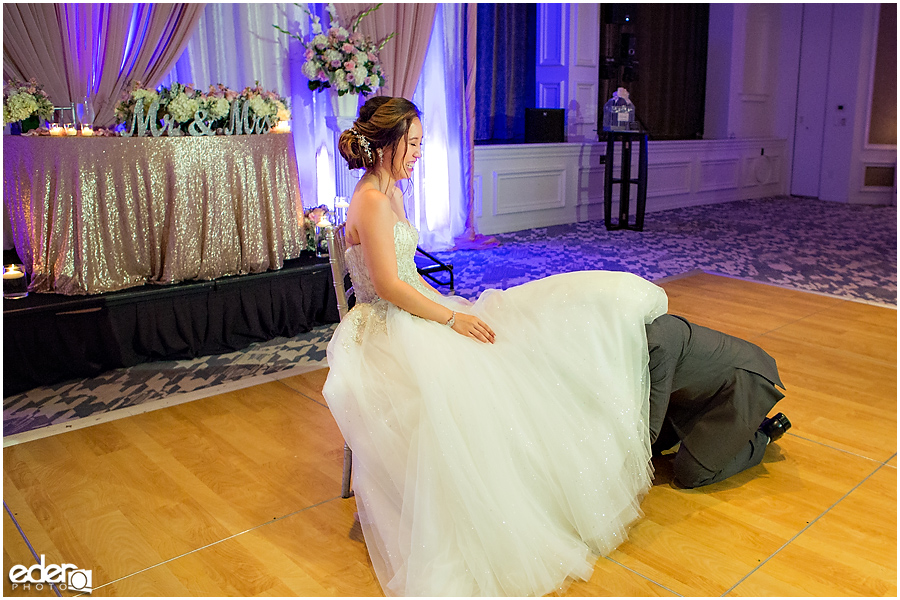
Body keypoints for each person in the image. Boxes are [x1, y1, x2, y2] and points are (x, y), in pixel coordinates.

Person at [322, 96, 670, 596]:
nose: (419, 153)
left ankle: (533, 488)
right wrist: (451, 319)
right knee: (467, 381)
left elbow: (410, 277)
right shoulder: (371, 201)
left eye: (421, 144)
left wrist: (452, 308)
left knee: (513, 344)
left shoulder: (391, 190)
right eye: (414, 144)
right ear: (388, 143)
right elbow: (390, 287)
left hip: (415, 307)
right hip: (383, 326)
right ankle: (482, 505)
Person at [645, 314, 791, 488]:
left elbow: (650, 431)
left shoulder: (656, 343)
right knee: (651, 449)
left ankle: (763, 434)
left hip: (741, 385)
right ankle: (718, 435)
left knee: (691, 473)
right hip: (691, 394)